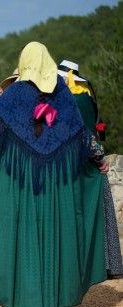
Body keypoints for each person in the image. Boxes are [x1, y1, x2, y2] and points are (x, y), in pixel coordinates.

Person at [0, 42, 108, 307]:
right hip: (55, 179)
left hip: (19, 178)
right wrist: (98, 158)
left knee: (19, 228)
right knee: (55, 227)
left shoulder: (13, 94)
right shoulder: (63, 94)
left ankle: (19, 296)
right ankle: (56, 297)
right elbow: (82, 135)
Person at [57, 60, 123, 279]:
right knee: (100, 213)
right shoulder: (87, 96)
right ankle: (109, 264)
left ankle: (79, 265)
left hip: (70, 160)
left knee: (75, 213)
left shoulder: (65, 98)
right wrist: (99, 157)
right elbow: (94, 130)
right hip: (90, 158)